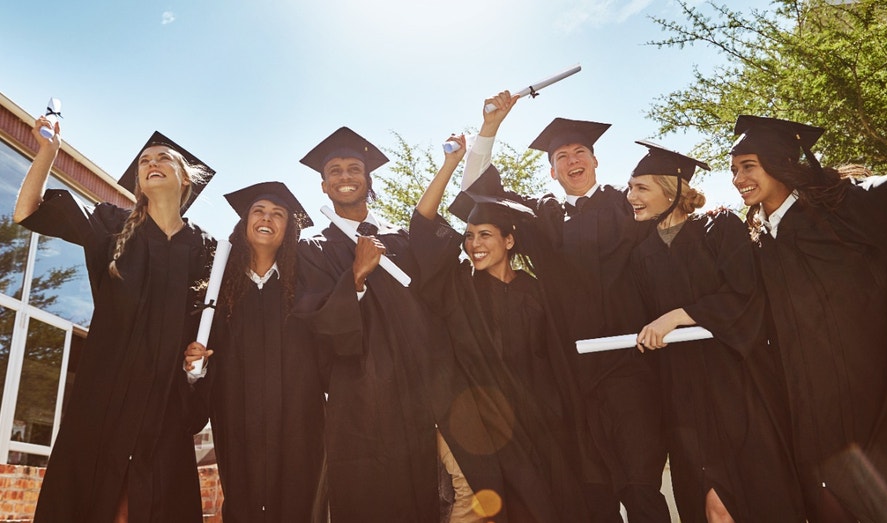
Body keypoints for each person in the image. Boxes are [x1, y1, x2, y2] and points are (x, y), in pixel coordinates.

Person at [461, 93, 667, 522]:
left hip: (632, 366)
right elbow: (479, 189)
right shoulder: (541, 215)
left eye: (580, 152)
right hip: (570, 378)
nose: (572, 160)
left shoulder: (629, 202)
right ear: (551, 170)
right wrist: (490, 127)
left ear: (595, 161)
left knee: (641, 486)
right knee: (592, 495)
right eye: (561, 155)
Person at [729, 115, 887, 522]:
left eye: (748, 165)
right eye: (733, 169)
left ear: (779, 160)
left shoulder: (837, 207)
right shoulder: (758, 240)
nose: (738, 178)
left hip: (870, 390)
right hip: (810, 402)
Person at [14, 122, 214, 523]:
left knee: (151, 503)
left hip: (165, 402)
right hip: (104, 394)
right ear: (138, 181)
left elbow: (207, 331)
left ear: (185, 180)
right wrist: (48, 154)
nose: (151, 163)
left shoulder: (207, 248)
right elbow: (27, 211)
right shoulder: (112, 222)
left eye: (162, 159)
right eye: (145, 161)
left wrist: (198, 360)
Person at [408, 134, 591, 521]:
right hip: (486, 425)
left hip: (544, 424)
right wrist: (449, 165)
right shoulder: (457, 287)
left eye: (485, 235)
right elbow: (423, 226)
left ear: (509, 240)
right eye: (470, 237)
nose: (474, 244)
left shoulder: (535, 292)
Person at [625, 141, 805, 522]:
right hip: (683, 393)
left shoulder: (718, 227)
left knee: (754, 493)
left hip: (736, 384)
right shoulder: (642, 254)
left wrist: (677, 315)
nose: (631, 197)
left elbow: (747, 295)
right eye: (630, 188)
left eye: (641, 188)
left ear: (671, 188)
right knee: (707, 506)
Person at [294, 127, 444, 522]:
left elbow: (436, 298)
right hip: (355, 398)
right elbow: (315, 320)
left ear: (368, 179)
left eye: (354, 168)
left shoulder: (402, 240)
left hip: (413, 391)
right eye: (335, 171)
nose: (345, 177)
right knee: (365, 498)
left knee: (421, 496)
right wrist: (356, 276)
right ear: (324, 186)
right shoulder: (313, 249)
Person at [183, 181, 327, 522]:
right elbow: (200, 358)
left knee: (299, 501)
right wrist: (195, 365)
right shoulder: (217, 291)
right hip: (237, 415)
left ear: (289, 229)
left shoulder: (305, 286)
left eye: (278, 214)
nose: (267, 218)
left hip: (298, 420)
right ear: (244, 222)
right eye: (258, 211)